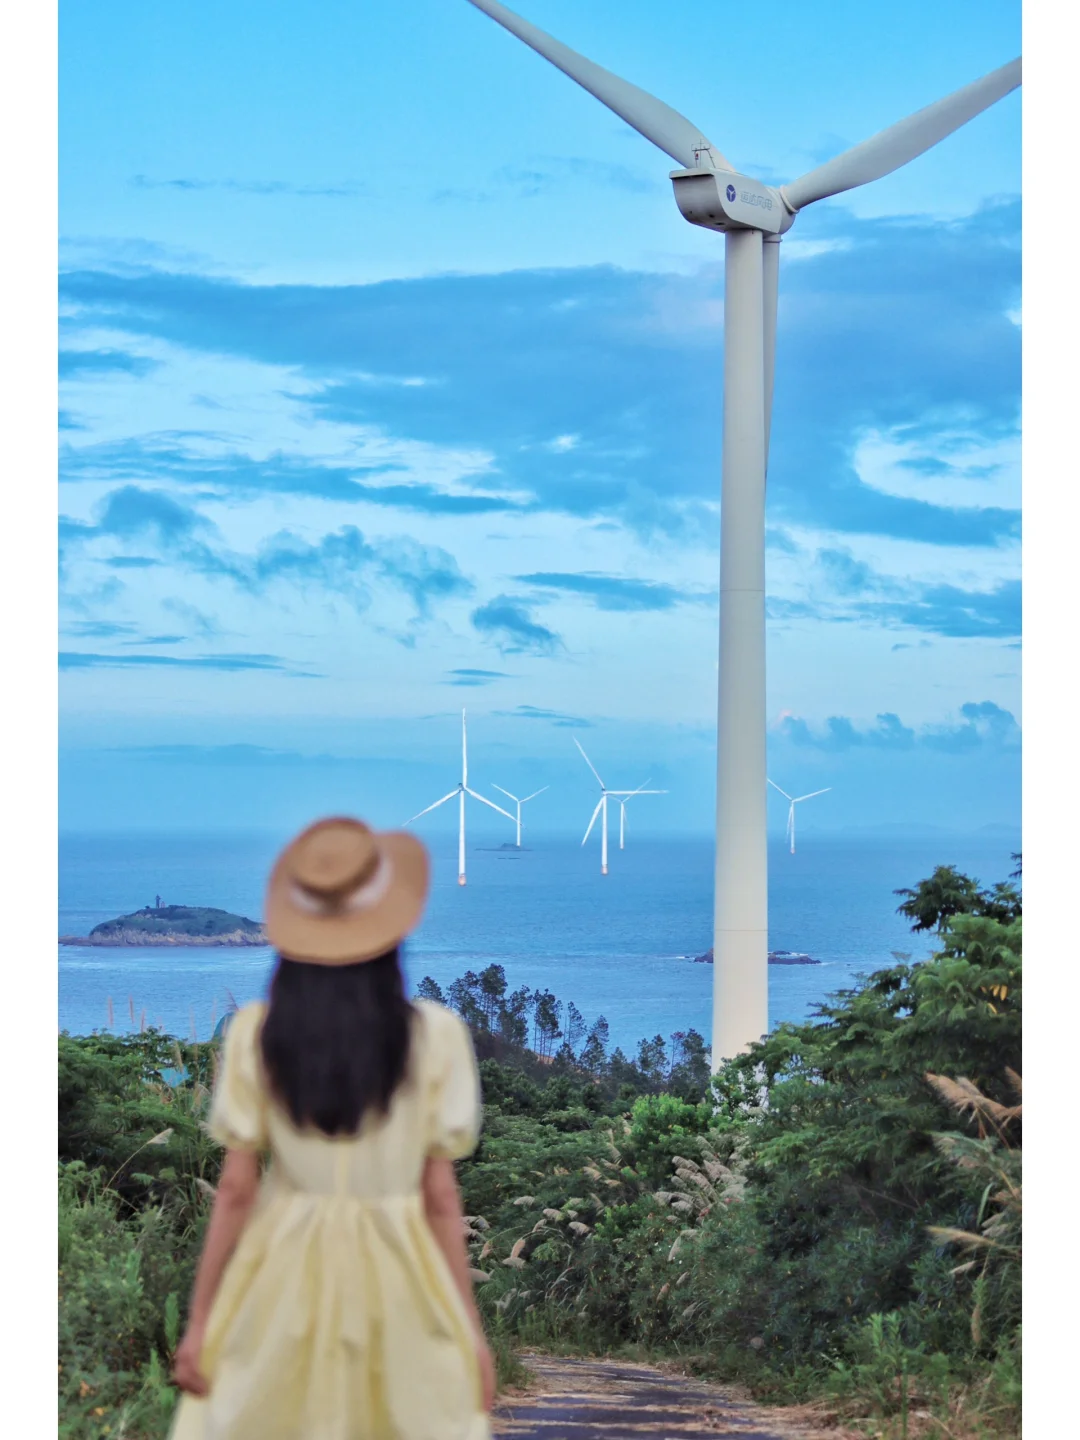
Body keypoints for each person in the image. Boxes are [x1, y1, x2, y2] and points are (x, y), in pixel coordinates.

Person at [169, 816, 494, 1440]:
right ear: (390, 926)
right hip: (400, 1271)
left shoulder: (256, 1034)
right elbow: (439, 1196)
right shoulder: (436, 1036)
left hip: (281, 1268)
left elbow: (235, 1190)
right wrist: (471, 1335)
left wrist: (201, 1320)